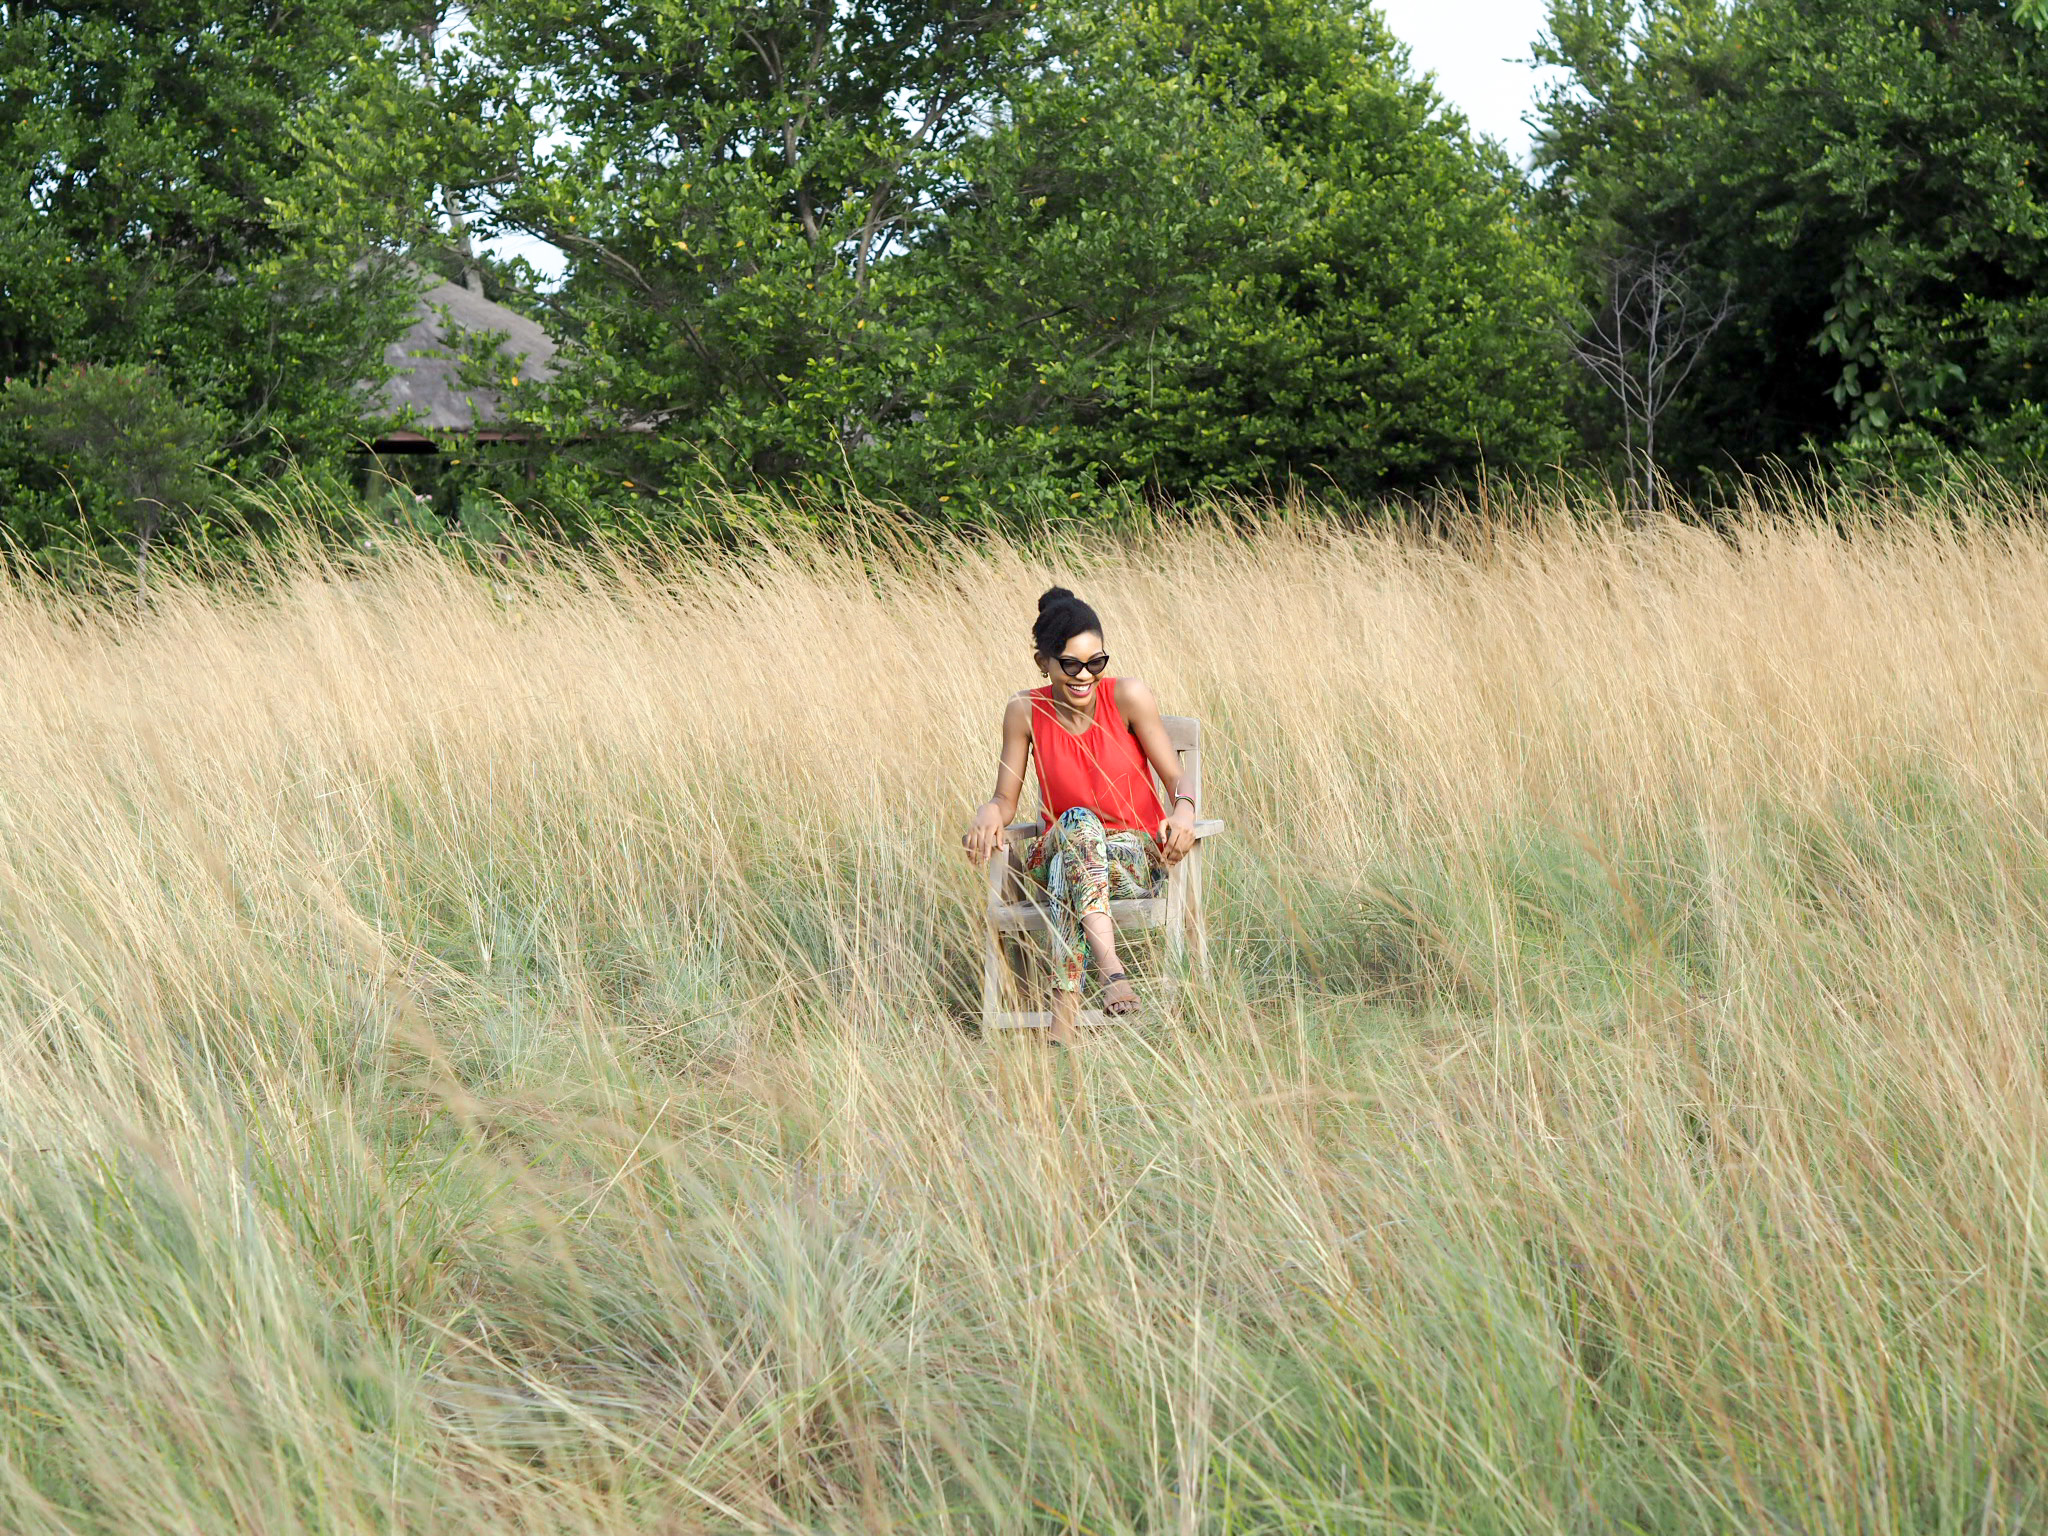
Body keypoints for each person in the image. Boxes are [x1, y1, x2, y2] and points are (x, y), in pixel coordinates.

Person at [961, 587, 1199, 1046]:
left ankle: (1063, 1017)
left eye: (1097, 662)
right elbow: (1004, 800)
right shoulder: (1025, 710)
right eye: (1071, 664)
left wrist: (1186, 810)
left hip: (1129, 860)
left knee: (1072, 852)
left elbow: (1177, 779)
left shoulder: (1128, 696)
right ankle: (1111, 969)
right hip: (1068, 848)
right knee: (1076, 824)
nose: (1085, 675)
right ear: (1043, 663)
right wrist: (987, 811)